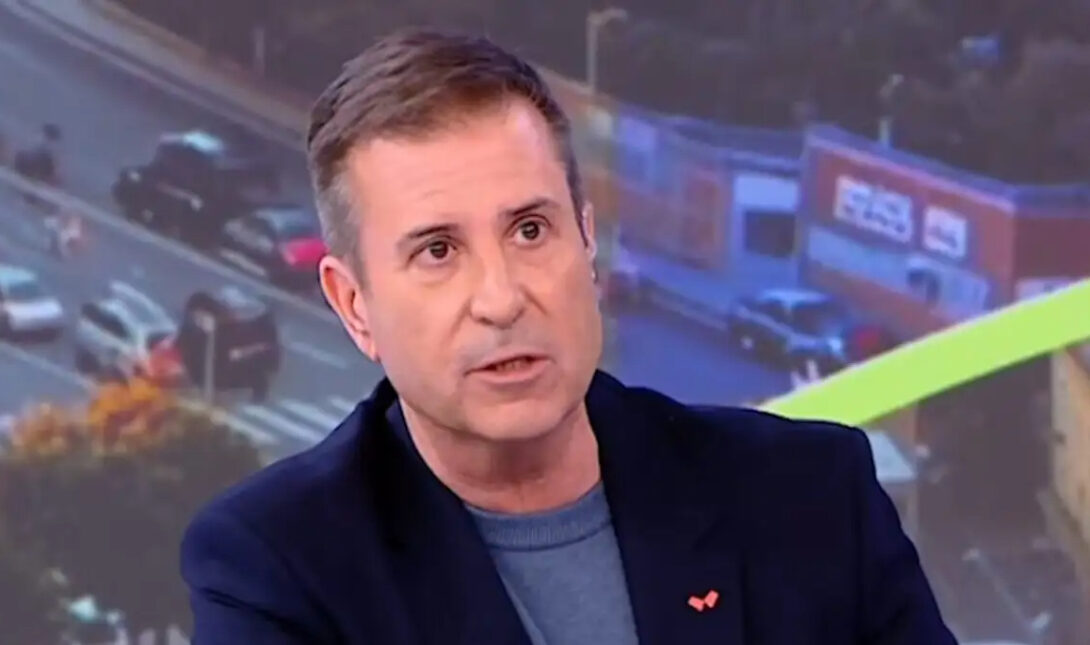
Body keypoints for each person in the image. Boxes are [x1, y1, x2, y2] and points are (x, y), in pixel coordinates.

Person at [180, 29, 958, 645]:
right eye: (438, 250)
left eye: (529, 229)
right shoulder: (276, 570)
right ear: (354, 306)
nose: (501, 298)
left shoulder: (810, 495)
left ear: (587, 242)